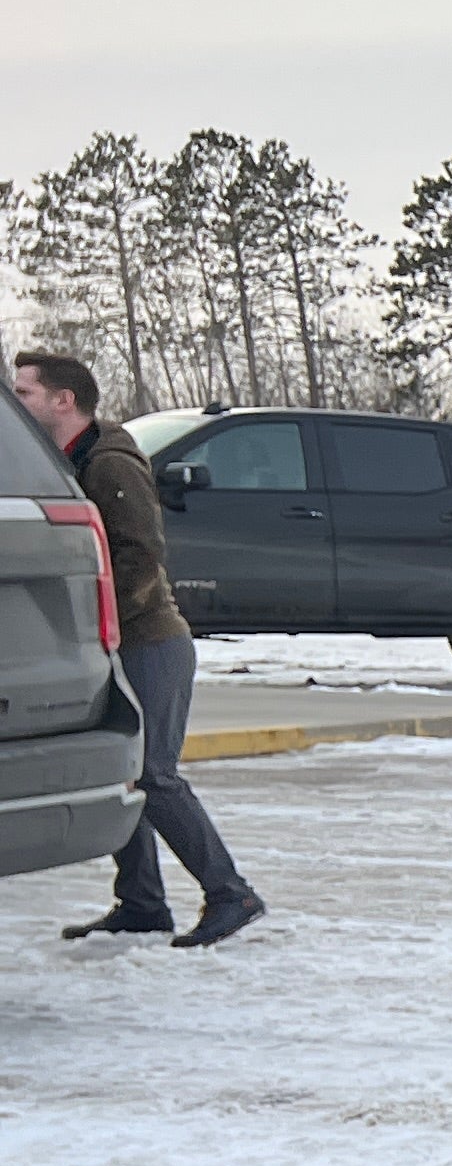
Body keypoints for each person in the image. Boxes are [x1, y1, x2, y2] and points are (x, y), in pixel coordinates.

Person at [10, 350, 265, 946]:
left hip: (149, 641)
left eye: (24, 393)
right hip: (116, 640)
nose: (17, 403)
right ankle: (143, 903)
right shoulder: (70, 458)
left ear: (62, 400)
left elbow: (140, 555)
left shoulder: (110, 464)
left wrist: (102, 627)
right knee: (124, 774)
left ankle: (232, 894)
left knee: (154, 775)